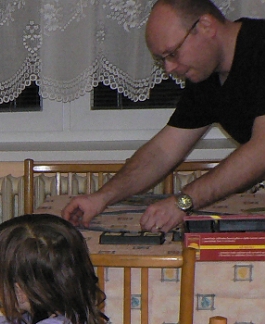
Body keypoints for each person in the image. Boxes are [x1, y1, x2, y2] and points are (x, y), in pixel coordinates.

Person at [62, 0, 265, 233]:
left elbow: (261, 151)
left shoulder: (260, 47)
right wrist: (101, 197)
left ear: (206, 26)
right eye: (162, 59)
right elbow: (163, 151)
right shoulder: (207, 74)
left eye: (173, 53)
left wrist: (183, 202)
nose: (169, 68)